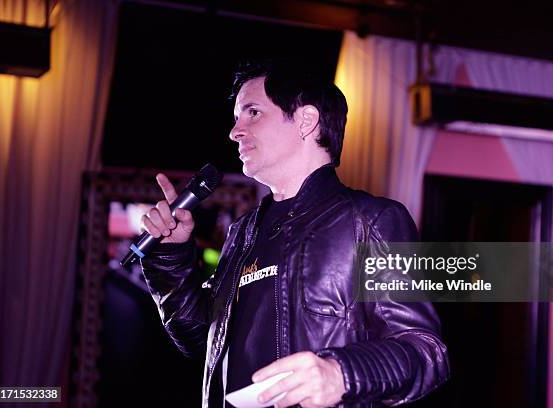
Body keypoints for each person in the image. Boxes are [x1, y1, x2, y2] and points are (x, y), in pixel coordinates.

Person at [139, 61, 449, 407]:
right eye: (236, 117)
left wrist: (340, 373)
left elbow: (425, 352)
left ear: (306, 120)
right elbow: (201, 339)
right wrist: (170, 257)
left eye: (252, 112)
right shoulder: (243, 233)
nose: (234, 131)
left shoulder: (371, 220)